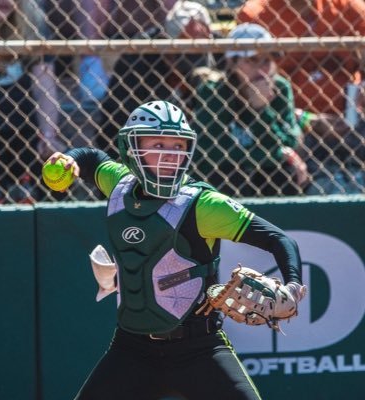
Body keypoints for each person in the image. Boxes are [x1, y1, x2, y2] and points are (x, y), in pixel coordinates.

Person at [43, 100, 306, 400]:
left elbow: (279, 239)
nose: (169, 155)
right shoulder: (120, 185)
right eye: (157, 144)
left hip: (198, 350)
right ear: (131, 148)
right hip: (132, 349)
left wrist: (294, 286)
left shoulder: (203, 204)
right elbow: (91, 159)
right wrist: (70, 159)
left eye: (177, 146)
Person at [237, 0, 365, 194]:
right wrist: (307, 120)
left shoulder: (352, 7)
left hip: (350, 121)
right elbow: (245, 85)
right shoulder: (254, 15)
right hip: (288, 123)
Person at [0, 0, 64, 205]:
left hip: (22, 133)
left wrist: (48, 134)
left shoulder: (32, 28)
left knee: (54, 161)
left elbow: (45, 88)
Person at [191, 23, 308, 196]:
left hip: (265, 171)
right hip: (226, 175)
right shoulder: (214, 91)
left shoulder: (280, 87)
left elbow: (291, 140)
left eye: (267, 60)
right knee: (232, 175)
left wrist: (261, 109)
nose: (261, 70)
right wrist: (276, 153)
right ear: (232, 62)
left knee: (287, 173)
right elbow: (213, 153)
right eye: (251, 60)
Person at [96, 0, 215, 159]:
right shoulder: (138, 59)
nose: (192, 56)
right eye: (185, 50)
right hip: (141, 149)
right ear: (167, 41)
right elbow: (116, 124)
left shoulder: (220, 52)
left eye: (199, 48)